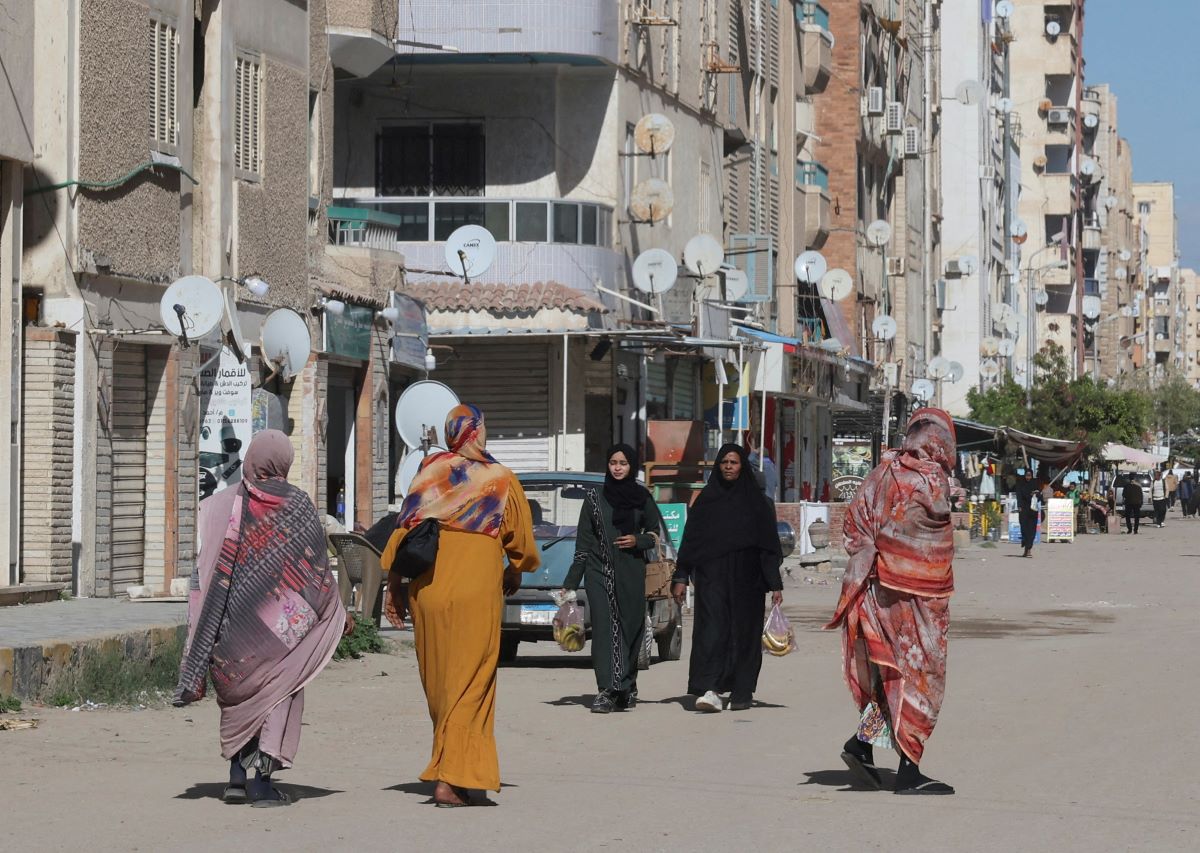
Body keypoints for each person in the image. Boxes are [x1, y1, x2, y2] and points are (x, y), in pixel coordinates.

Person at [175, 430, 351, 807]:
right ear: (283, 461)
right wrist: (334, 611)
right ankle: (262, 784)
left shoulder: (220, 503)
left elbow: (202, 570)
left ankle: (236, 779)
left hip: (228, 630)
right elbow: (316, 570)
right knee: (278, 693)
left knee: (239, 701)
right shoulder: (297, 504)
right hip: (279, 632)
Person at [381, 404, 539, 808]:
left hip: (427, 590)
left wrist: (394, 588)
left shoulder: (430, 472)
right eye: (484, 427)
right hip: (475, 590)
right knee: (472, 683)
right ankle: (453, 778)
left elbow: (402, 533)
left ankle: (454, 768)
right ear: (475, 432)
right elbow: (519, 543)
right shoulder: (499, 478)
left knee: (440, 683)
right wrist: (517, 570)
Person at [827, 408, 957, 796]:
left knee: (891, 679)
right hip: (920, 599)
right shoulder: (931, 479)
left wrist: (873, 556)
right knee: (921, 680)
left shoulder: (881, 472)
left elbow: (853, 525)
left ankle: (861, 745)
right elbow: (930, 531)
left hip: (876, 593)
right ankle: (909, 768)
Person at [670, 444, 783, 713]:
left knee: (744, 634)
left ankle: (742, 691)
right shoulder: (706, 501)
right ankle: (710, 689)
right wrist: (681, 575)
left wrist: (775, 584)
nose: (729, 467)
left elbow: (768, 547)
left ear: (743, 465)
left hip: (748, 580)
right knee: (712, 632)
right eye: (724, 463)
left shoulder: (759, 504)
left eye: (734, 462)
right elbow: (691, 541)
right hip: (712, 578)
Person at [562, 444, 664, 714]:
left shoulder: (642, 497)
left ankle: (627, 685)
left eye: (623, 463)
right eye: (612, 462)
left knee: (630, 628)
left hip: (631, 571)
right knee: (606, 630)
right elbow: (583, 545)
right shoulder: (594, 499)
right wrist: (571, 583)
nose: (617, 467)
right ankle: (606, 690)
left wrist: (637, 540)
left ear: (631, 466)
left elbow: (655, 533)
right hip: (599, 572)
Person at [745, 431, 779, 502]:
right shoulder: (772, 465)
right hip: (771, 498)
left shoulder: (762, 464)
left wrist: (754, 452)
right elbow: (776, 482)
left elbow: (750, 459)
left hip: (763, 497)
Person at [1014, 468, 1040, 557]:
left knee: (1031, 530)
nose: (1028, 477)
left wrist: (1036, 494)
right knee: (1024, 529)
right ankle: (1026, 546)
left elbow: (1040, 497)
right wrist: (1019, 506)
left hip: (1033, 511)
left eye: (1029, 476)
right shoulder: (1021, 484)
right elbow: (1019, 496)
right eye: (1027, 475)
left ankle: (1029, 549)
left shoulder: (1035, 483)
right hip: (1024, 510)